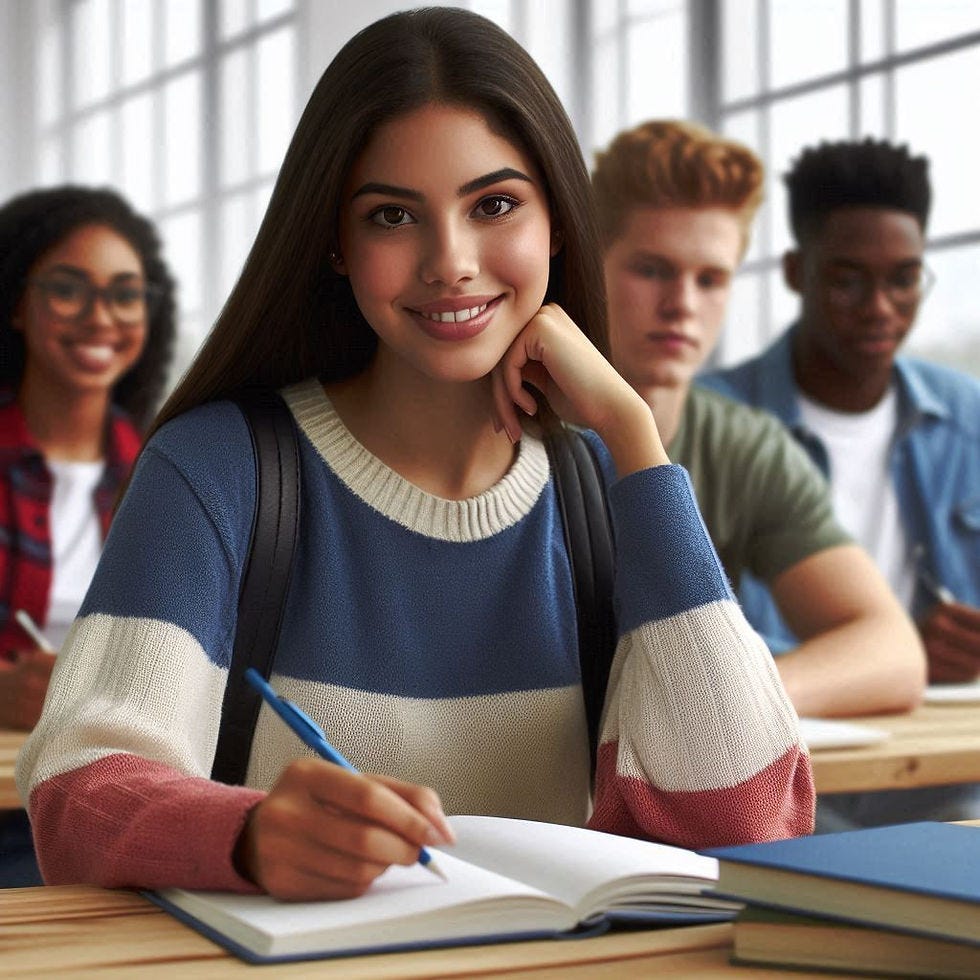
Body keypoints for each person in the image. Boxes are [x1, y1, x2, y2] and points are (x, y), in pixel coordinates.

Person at [17, 8, 813, 900]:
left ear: (557, 221)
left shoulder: (602, 486)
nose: (451, 261)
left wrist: (631, 435)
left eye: (495, 205)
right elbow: (78, 798)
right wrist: (249, 836)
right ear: (334, 244)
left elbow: (750, 827)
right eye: (393, 215)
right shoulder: (212, 469)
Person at [592, 120, 924, 720]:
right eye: (652, 269)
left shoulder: (745, 445)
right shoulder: (509, 422)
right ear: (591, 266)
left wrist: (725, 698)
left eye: (710, 279)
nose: (682, 305)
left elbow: (893, 652)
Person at [701, 137, 980, 825]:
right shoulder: (712, 423)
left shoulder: (969, 420)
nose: (881, 306)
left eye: (905, 279)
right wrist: (883, 655)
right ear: (797, 271)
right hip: (783, 764)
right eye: (849, 280)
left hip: (938, 758)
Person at [0, 184, 176, 884]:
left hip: (126, 793)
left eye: (125, 294)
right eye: (68, 289)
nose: (100, 317)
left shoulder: (171, 469)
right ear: (17, 303)